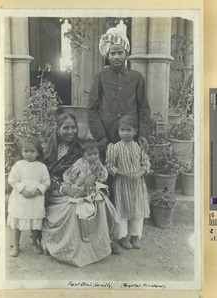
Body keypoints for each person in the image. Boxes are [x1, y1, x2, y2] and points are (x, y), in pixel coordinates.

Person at [42, 113, 121, 268]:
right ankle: (71, 248)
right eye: (66, 128)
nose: (70, 131)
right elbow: (45, 176)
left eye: (73, 127)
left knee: (99, 200)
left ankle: (106, 242)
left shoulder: (83, 148)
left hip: (84, 187)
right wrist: (65, 189)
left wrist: (92, 176)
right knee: (73, 208)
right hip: (59, 190)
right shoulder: (50, 151)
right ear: (58, 129)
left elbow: (97, 166)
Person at [87, 27, 151, 155]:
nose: (116, 57)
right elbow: (91, 108)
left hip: (130, 135)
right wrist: (101, 136)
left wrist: (142, 134)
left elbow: (144, 108)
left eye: (120, 53)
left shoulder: (137, 77)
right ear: (107, 55)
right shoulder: (101, 77)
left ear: (126, 53)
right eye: (112, 53)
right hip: (107, 135)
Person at [105, 115, 151, 250]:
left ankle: (135, 236)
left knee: (138, 208)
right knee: (122, 209)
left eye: (128, 130)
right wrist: (124, 174)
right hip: (122, 183)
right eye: (122, 130)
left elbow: (146, 163)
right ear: (118, 132)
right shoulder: (114, 148)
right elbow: (109, 165)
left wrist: (139, 173)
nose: (125, 133)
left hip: (137, 184)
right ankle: (123, 237)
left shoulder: (139, 147)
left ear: (135, 131)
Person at [7, 137, 51, 257]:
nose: (29, 154)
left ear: (38, 153)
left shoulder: (41, 167)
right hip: (20, 199)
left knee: (34, 222)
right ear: (21, 152)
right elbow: (12, 180)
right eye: (26, 151)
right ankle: (16, 245)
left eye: (32, 151)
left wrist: (38, 190)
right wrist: (22, 190)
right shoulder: (18, 165)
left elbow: (46, 182)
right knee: (18, 222)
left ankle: (34, 243)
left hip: (35, 199)